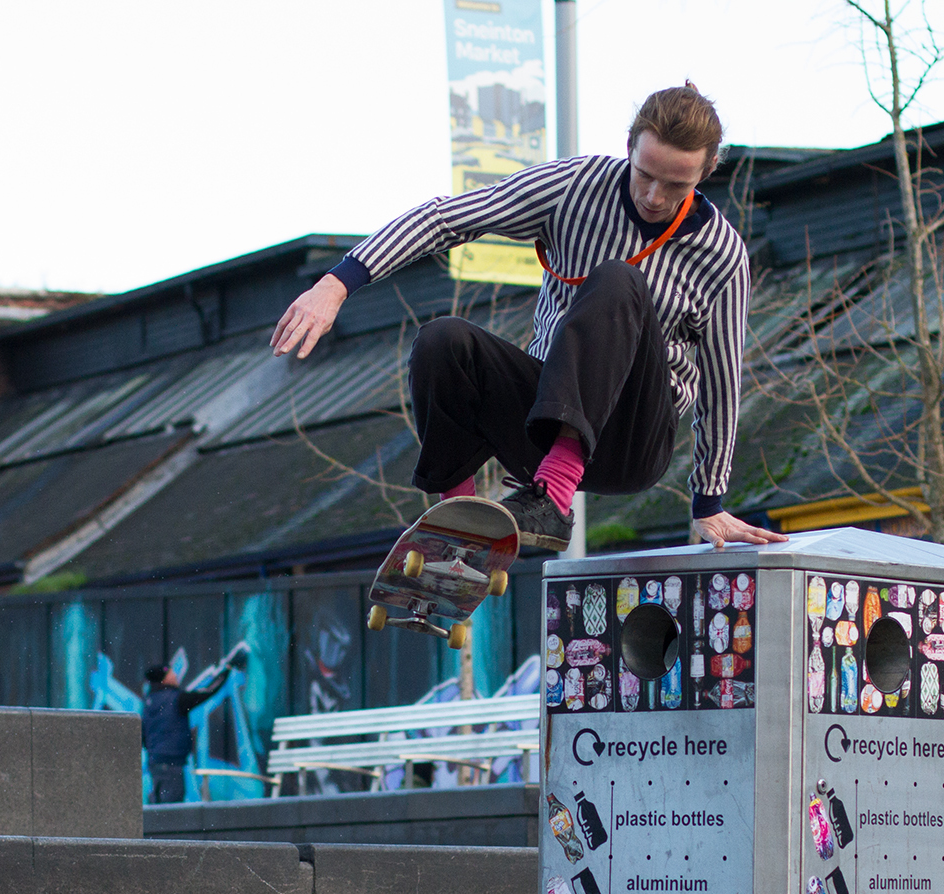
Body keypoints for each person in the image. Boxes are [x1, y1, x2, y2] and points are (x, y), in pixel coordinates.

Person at [270, 84, 787, 553]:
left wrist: (709, 500)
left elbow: (723, 382)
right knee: (443, 340)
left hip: (632, 438)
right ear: (628, 146)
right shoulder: (575, 185)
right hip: (547, 414)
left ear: (707, 169)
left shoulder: (721, 253)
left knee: (615, 280)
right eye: (645, 175)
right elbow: (448, 217)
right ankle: (460, 520)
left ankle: (552, 500)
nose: (653, 197)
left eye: (674, 185)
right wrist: (336, 284)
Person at [140, 662, 231, 803]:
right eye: (171, 673)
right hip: (172, 764)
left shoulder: (149, 702)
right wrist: (227, 670)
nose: (175, 676)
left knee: (158, 809)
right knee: (171, 811)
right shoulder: (176, 699)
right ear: (165, 679)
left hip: (155, 763)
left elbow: (143, 736)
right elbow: (207, 691)